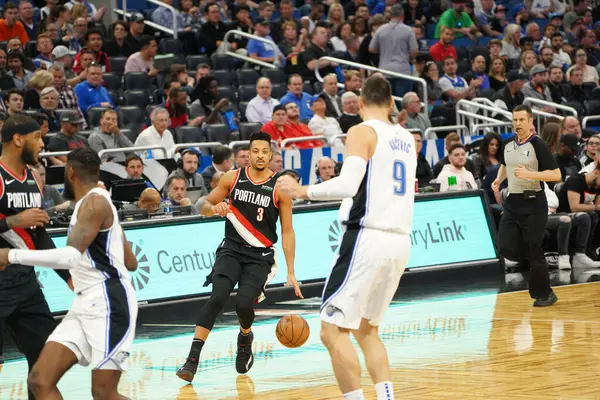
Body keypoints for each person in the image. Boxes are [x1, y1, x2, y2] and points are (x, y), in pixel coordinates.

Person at [277, 75, 416, 400]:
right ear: (392, 103)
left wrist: (302, 190)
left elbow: (348, 184)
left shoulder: (361, 131)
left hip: (367, 238)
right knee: (368, 331)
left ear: (361, 104)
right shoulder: (407, 138)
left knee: (331, 330)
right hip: (400, 241)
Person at [0, 147, 138, 399]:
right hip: (85, 302)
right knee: (40, 380)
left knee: (104, 394)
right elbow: (131, 262)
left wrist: (11, 255)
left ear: (70, 171)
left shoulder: (93, 204)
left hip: (109, 303)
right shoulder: (97, 202)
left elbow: (70, 257)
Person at [176, 132, 301, 382]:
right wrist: (215, 208)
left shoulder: (280, 188)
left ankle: (245, 336)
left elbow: (287, 230)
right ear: (248, 154)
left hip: (260, 255)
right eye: (255, 151)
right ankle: (192, 360)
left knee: (243, 303)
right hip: (231, 249)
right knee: (217, 297)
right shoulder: (232, 178)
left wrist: (291, 271)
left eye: (265, 151)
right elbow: (203, 207)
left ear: (271, 154)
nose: (260, 156)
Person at [0, 114, 71, 400]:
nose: (42, 144)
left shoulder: (33, 178)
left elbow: (39, 235)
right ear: (18, 139)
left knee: (45, 358)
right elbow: (18, 222)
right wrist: (12, 221)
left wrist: (67, 276)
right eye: (37, 137)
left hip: (25, 281)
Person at [492, 104, 561, 307]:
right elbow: (506, 164)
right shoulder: (508, 144)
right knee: (504, 245)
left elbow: (556, 175)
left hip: (534, 203)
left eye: (522, 120)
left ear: (531, 121)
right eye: (515, 120)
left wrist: (530, 174)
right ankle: (530, 256)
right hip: (513, 202)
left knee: (533, 248)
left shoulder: (538, 145)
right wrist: (498, 179)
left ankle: (545, 293)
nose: (518, 124)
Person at [369, 4, 418, 97]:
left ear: (390, 15)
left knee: (386, 101)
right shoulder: (408, 30)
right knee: (403, 101)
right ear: (402, 16)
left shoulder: (381, 29)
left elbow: (372, 48)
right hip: (402, 71)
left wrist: (384, 51)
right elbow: (414, 51)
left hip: (385, 70)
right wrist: (410, 56)